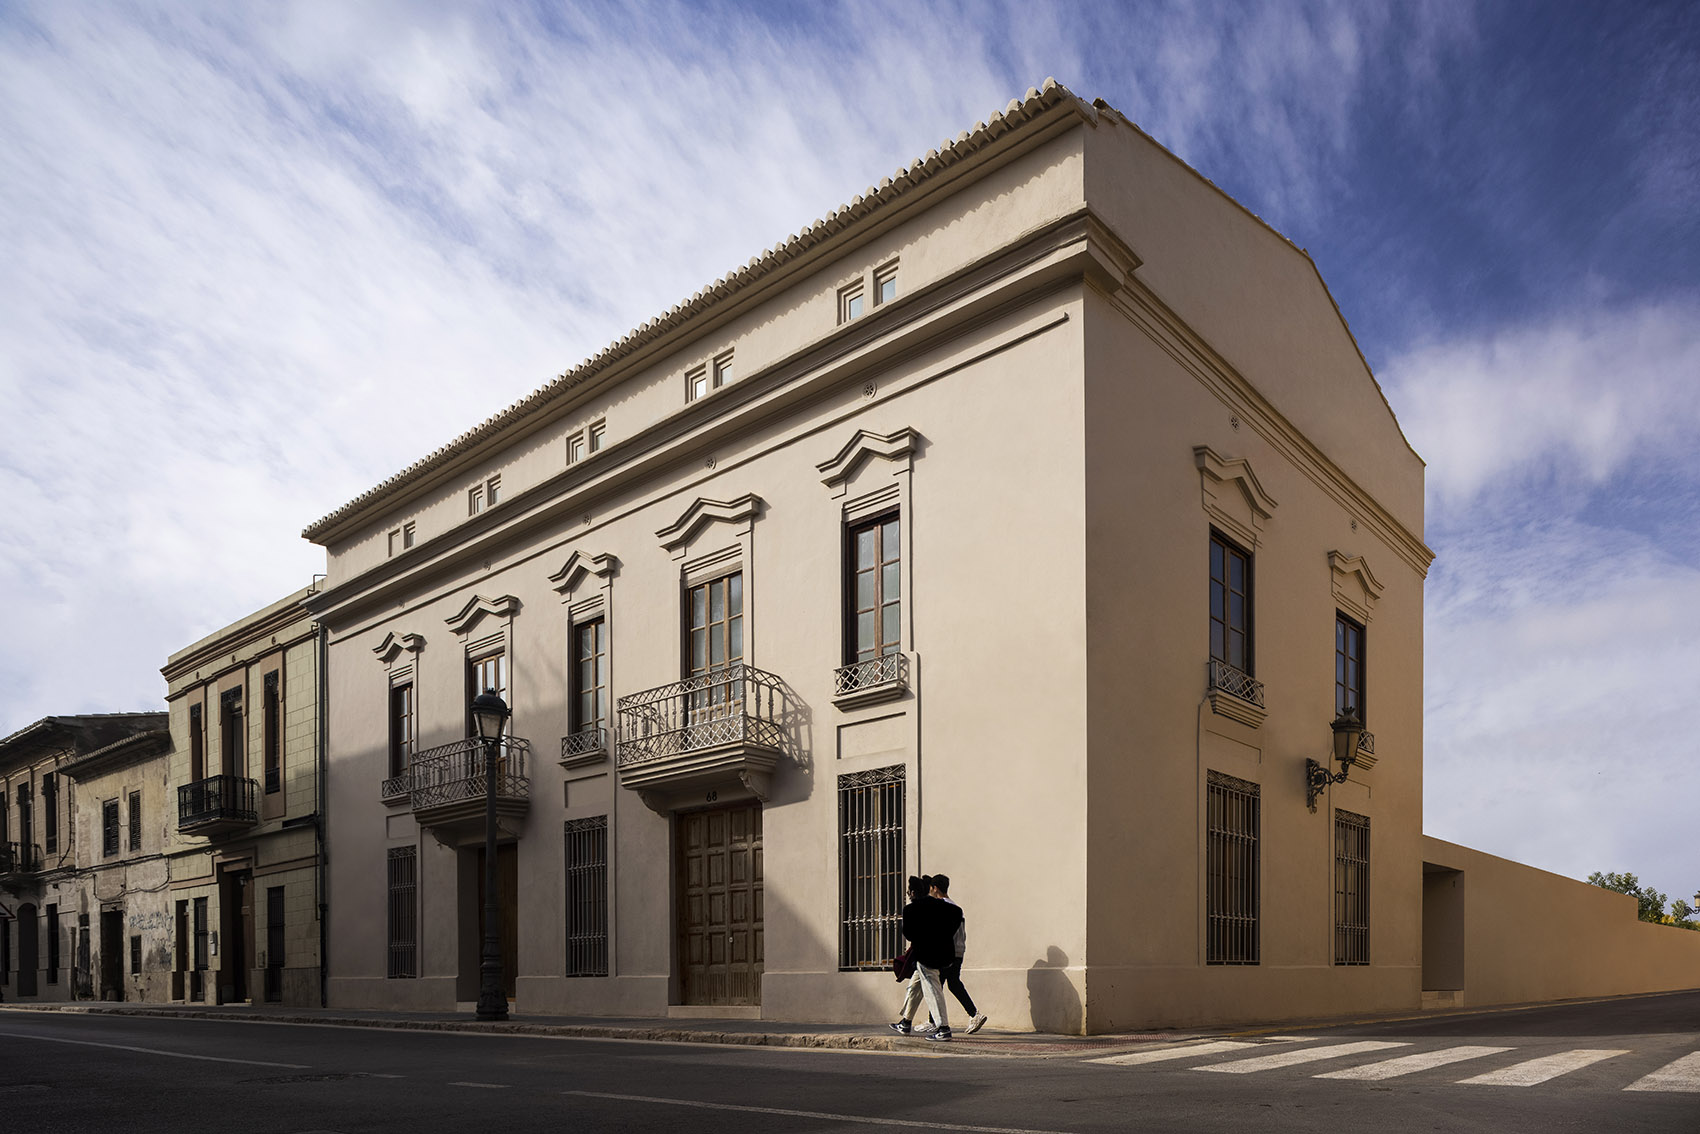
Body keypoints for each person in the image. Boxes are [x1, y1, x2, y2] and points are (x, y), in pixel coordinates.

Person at [889, 875, 962, 1041]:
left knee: (932, 990)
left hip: (927, 957)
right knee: (915, 985)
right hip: (944, 955)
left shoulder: (910, 910)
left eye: (909, 892)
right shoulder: (941, 905)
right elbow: (958, 913)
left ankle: (943, 1028)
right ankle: (905, 1022)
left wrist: (924, 938)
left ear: (913, 893)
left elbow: (908, 934)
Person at [927, 874, 987, 1035]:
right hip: (958, 951)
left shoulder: (942, 907)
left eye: (930, 889)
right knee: (951, 983)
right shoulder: (954, 906)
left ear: (935, 888)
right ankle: (973, 1014)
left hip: (948, 952)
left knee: (935, 985)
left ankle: (935, 1021)